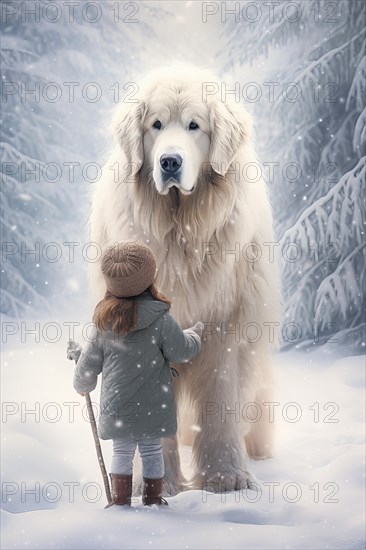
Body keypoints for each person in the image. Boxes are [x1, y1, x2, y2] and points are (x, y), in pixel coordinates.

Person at [72, 241, 203, 507]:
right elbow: (182, 351)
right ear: (150, 279)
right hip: (153, 407)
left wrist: (81, 381)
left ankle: (120, 501)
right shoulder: (161, 319)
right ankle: (153, 500)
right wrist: (195, 335)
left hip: (118, 409)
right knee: (153, 451)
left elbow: (88, 367)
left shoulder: (103, 324)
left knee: (121, 451)